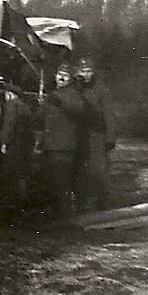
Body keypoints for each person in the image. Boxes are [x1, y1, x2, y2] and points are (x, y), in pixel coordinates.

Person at [35, 63, 85, 219]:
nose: (61, 78)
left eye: (65, 75)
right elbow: (40, 118)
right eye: (59, 74)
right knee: (49, 183)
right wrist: (40, 105)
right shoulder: (52, 94)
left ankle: (65, 218)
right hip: (49, 146)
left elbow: (78, 110)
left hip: (64, 147)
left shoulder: (74, 94)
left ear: (70, 79)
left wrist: (59, 102)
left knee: (62, 184)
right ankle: (54, 217)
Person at [74, 56, 116, 212]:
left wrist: (110, 137)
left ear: (94, 72)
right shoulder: (76, 89)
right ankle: (81, 203)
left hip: (97, 136)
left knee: (100, 170)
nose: (85, 75)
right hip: (80, 135)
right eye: (83, 71)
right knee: (81, 170)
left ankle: (102, 203)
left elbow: (109, 114)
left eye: (88, 71)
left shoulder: (101, 90)